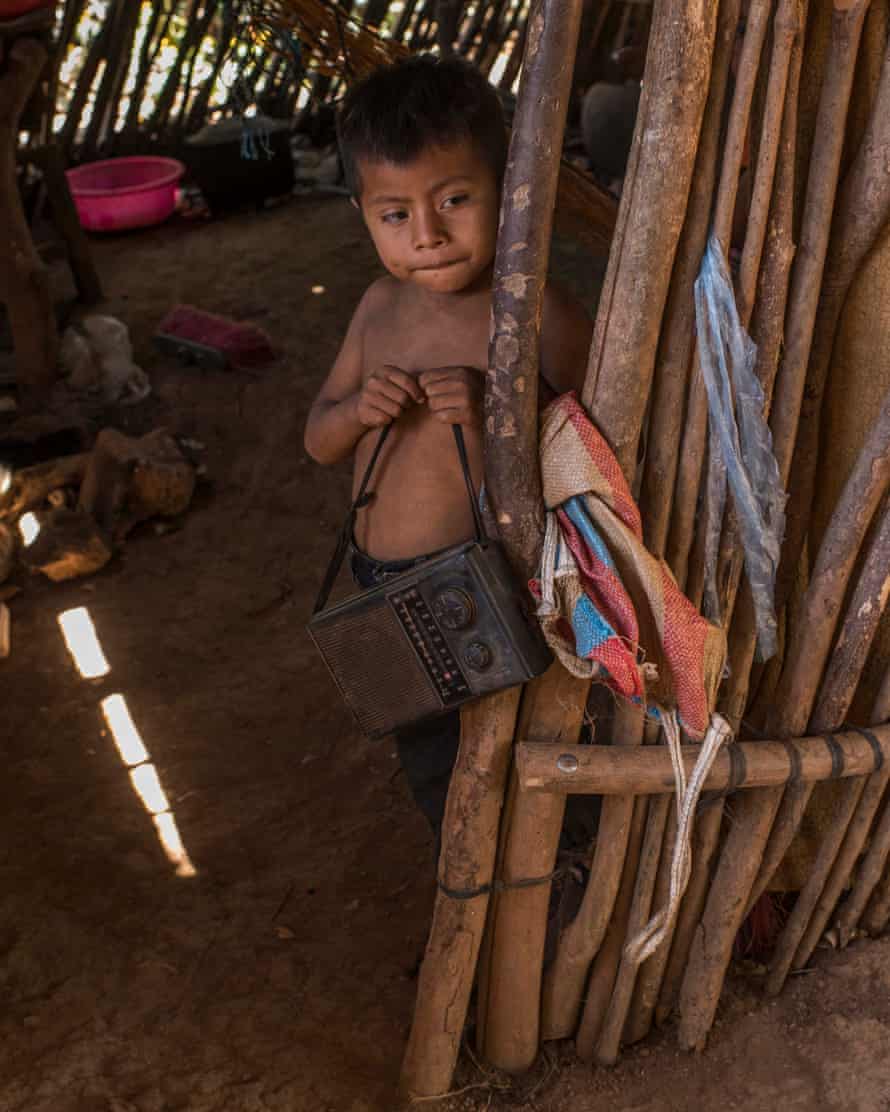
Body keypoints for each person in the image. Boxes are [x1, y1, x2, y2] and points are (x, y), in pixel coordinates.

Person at [304, 54, 593, 836]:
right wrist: (361, 410)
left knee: (541, 751)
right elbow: (319, 441)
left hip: (497, 587)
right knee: (434, 765)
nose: (426, 236)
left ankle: (561, 884)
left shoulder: (540, 313)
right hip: (381, 582)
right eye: (394, 214)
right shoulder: (376, 307)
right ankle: (471, 887)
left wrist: (503, 415)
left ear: (507, 192)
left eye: (454, 200)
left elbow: (603, 457)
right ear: (363, 212)